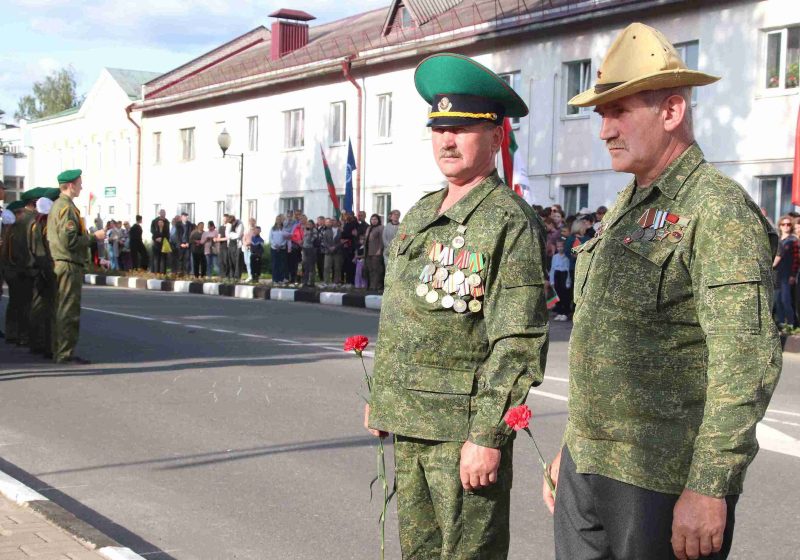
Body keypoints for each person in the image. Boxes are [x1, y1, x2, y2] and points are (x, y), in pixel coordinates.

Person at [544, 23, 781, 560]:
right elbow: (603, 345)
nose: (604, 131)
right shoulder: (628, 206)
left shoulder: (716, 210)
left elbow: (744, 361)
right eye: (600, 115)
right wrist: (575, 448)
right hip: (589, 469)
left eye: (618, 112)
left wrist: (710, 486)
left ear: (672, 111)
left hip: (661, 479)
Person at [365, 53, 549, 559]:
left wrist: (487, 436)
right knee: (419, 553)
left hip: (462, 435)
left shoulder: (508, 221)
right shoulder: (422, 212)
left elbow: (517, 342)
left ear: (495, 137)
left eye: (462, 129)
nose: (447, 140)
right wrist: (384, 395)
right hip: (411, 424)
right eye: (439, 128)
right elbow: (405, 316)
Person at [47, 169, 106, 364]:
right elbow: (69, 241)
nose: (81, 187)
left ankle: (59, 350)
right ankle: (65, 354)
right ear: (71, 185)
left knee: (60, 309)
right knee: (68, 311)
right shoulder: (66, 207)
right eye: (79, 184)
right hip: (68, 264)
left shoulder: (59, 205)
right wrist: (93, 237)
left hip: (61, 262)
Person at [28, 189, 60, 358]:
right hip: (44, 270)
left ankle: (38, 343)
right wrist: (49, 273)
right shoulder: (43, 224)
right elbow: (42, 252)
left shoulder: (37, 222)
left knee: (40, 308)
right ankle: (48, 346)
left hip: (38, 269)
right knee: (48, 310)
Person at [773, 215, 798, 326]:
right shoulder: (777, 239)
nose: (786, 226)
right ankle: (782, 323)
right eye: (783, 224)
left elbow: (796, 259)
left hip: (787, 274)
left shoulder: (793, 240)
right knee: (777, 300)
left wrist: (793, 274)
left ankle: (791, 324)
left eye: (788, 224)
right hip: (777, 274)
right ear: (780, 226)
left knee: (786, 300)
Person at [549, 239, 571, 321]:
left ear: (564, 247)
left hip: (564, 275)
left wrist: (568, 281)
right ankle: (559, 312)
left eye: (561, 246)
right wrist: (552, 280)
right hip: (557, 275)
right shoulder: (555, 257)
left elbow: (568, 270)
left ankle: (565, 313)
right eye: (558, 247)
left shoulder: (567, 257)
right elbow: (552, 269)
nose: (559, 248)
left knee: (565, 295)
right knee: (557, 295)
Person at [364, 213, 384, 291]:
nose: (373, 221)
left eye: (375, 219)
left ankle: (377, 286)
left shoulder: (380, 228)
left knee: (377, 269)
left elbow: (382, 240)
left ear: (378, 220)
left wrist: (380, 250)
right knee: (370, 269)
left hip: (376, 252)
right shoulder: (369, 228)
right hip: (368, 252)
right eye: (372, 219)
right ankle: (372, 285)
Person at [321, 217, 343, 286]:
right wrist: (329, 247)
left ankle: (336, 282)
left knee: (337, 267)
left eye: (334, 220)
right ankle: (326, 282)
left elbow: (342, 241)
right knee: (326, 267)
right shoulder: (327, 230)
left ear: (337, 222)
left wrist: (335, 247)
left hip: (337, 252)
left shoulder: (340, 231)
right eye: (332, 221)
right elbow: (324, 241)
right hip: (328, 252)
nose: (333, 222)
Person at [270, 215, 288, 283]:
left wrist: (281, 245)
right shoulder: (272, 229)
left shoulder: (284, 229)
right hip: (274, 248)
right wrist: (275, 245)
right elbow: (270, 238)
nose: (278, 221)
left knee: (281, 264)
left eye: (280, 219)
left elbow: (286, 238)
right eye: (277, 219)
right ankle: (275, 279)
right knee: (275, 264)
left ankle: (281, 279)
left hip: (282, 248)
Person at [301, 218, 319, 287]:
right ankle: (305, 281)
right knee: (305, 266)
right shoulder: (305, 230)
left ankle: (311, 282)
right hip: (305, 249)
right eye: (308, 224)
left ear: (313, 225)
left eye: (310, 224)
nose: (309, 225)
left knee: (311, 266)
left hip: (311, 249)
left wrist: (310, 232)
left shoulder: (314, 230)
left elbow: (312, 240)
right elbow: (304, 239)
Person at [226, 214, 244, 280]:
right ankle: (231, 276)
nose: (232, 224)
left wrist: (231, 234)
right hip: (230, 244)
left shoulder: (240, 224)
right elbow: (227, 234)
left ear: (234, 220)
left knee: (237, 261)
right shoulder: (229, 224)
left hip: (237, 245)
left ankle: (237, 277)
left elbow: (238, 235)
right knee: (230, 261)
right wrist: (232, 235)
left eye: (232, 222)